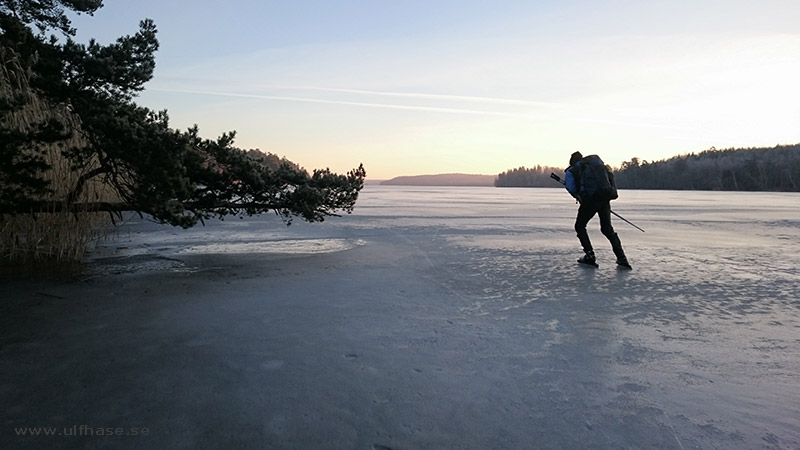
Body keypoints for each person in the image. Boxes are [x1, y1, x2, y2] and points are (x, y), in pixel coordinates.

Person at [564, 151, 631, 269]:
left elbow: (572, 188)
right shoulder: (596, 166)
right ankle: (622, 258)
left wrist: (579, 196)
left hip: (591, 200)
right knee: (607, 229)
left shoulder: (573, 170)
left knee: (580, 226)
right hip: (604, 197)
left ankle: (589, 255)